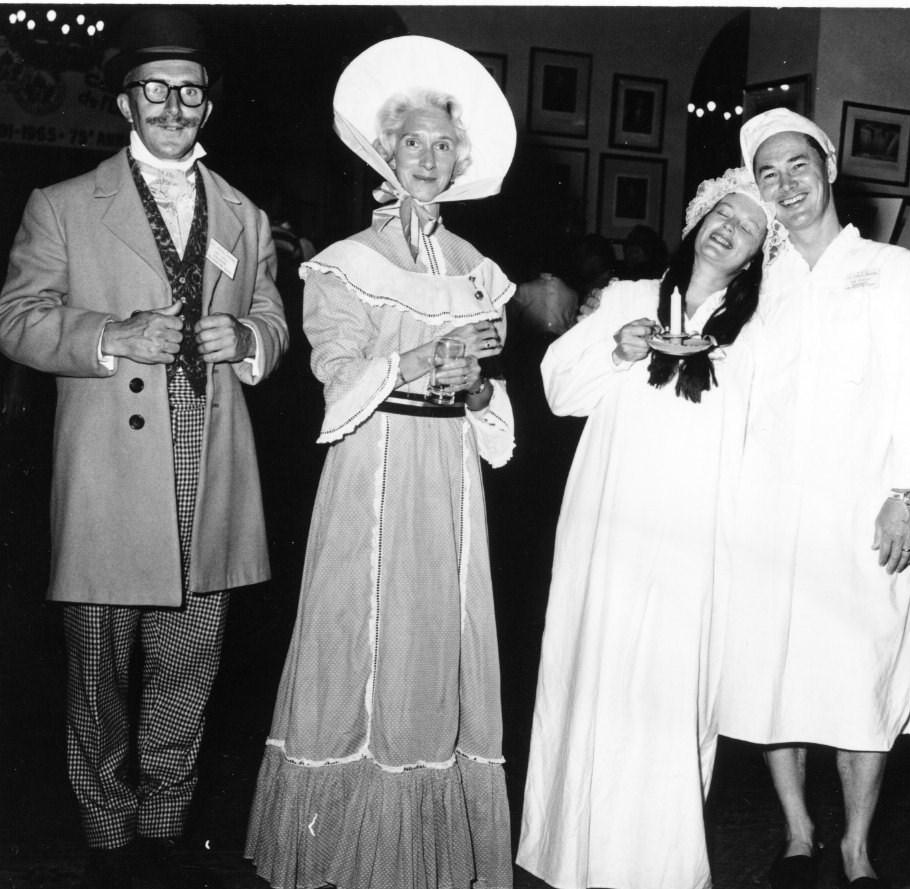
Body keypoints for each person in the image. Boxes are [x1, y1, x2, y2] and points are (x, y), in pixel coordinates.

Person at [0, 9, 287, 889]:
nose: (173, 105)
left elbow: (275, 320)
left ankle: (164, 825)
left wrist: (244, 339)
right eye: (155, 89)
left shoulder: (244, 213)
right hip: (109, 470)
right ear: (127, 102)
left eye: (189, 92)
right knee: (98, 659)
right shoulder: (62, 206)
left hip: (211, 458)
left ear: (208, 106)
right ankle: (105, 829)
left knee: (193, 652)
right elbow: (17, 319)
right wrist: (111, 334)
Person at [245, 36, 516, 889]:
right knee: (359, 635)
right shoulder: (344, 263)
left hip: (450, 476)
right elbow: (334, 379)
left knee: (440, 639)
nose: (429, 158)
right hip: (376, 465)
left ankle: (424, 860)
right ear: (383, 151)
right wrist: (416, 362)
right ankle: (345, 849)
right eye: (413, 143)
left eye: (444, 145)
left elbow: (490, 409)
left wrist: (474, 385)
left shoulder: (477, 270)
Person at [516, 168, 784, 889]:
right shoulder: (633, 298)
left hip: (696, 537)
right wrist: (616, 349)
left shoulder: (759, 330)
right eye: (724, 211)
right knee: (594, 676)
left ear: (760, 252)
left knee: (672, 689)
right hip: (608, 524)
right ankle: (573, 850)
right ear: (699, 218)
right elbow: (559, 390)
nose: (731, 228)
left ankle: (656, 866)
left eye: (751, 226)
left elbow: (765, 441)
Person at [716, 109, 910, 889]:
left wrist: (906, 495)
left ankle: (856, 845)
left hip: (863, 513)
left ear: (828, 167)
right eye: (768, 175)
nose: (785, 185)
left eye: (797, 166)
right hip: (766, 513)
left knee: (861, 672)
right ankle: (796, 830)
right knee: (772, 670)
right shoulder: (754, 286)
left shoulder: (892, 271)